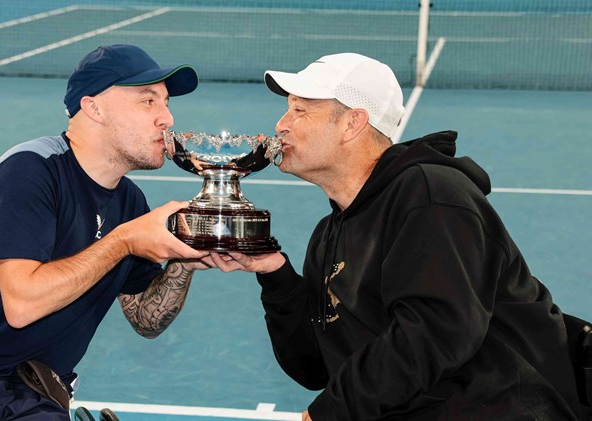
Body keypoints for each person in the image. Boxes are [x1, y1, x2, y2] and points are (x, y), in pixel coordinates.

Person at [211, 53, 585, 420]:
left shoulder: (431, 195)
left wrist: (329, 413)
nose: (281, 124)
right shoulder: (329, 235)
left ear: (352, 123)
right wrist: (275, 275)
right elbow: (314, 369)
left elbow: (435, 334)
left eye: (300, 110)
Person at [0, 44, 212, 420]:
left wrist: (185, 259)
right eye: (148, 101)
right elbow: (22, 305)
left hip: (34, 392)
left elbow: (146, 319)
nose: (167, 118)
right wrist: (122, 241)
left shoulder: (129, 202)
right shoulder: (30, 172)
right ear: (94, 107)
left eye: (166, 102)